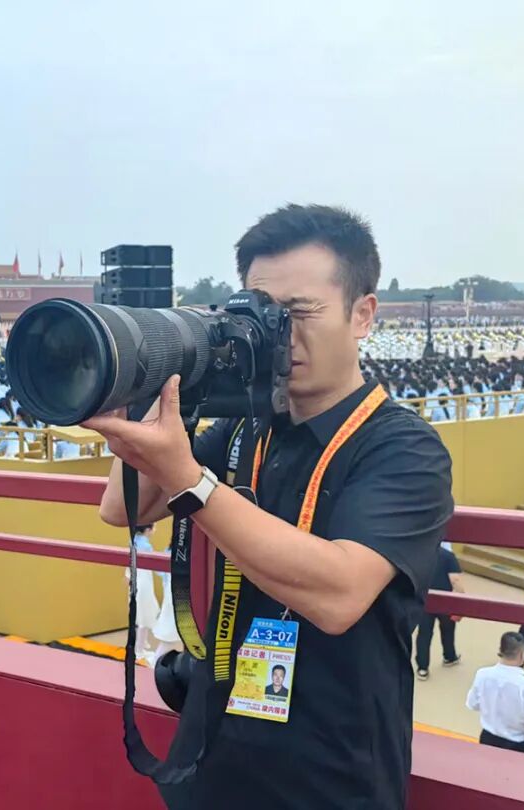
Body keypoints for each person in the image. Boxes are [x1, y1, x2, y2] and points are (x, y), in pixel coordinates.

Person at [86, 204, 454, 809]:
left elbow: (339, 595)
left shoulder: (403, 447)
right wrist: (160, 382)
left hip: (328, 781)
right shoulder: (242, 429)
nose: (281, 334)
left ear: (363, 315)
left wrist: (191, 482)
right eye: (262, 315)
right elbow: (121, 508)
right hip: (208, 765)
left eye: (300, 313)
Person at [465, 631, 524, 754]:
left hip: (488, 739)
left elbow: (472, 704)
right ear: (522, 655)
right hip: (519, 745)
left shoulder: (482, 675)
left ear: (501, 650)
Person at [414, 543, 464, 680]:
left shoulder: (420, 554)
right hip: (445, 600)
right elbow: (455, 580)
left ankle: (422, 668)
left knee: (424, 634)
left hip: (426, 599)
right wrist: (461, 601)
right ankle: (449, 656)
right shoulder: (448, 556)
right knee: (448, 629)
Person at [124, 524, 161, 666]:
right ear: (148, 530)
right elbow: (155, 565)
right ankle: (139, 651)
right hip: (143, 583)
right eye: (154, 527)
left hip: (135, 581)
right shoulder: (145, 546)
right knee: (144, 618)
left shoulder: (133, 541)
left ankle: (142, 644)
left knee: (141, 615)